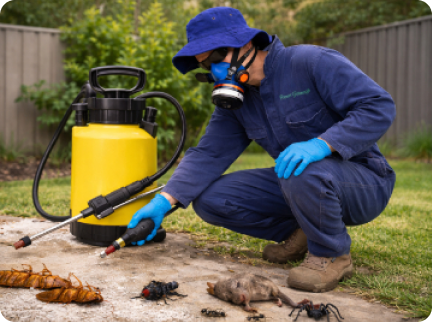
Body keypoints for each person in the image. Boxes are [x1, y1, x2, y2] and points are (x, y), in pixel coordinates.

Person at [127, 6, 396, 293]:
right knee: (209, 199)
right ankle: (305, 232)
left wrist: (322, 144)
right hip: (301, 182)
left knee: (301, 167)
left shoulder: (311, 62)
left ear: (246, 44)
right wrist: (165, 201)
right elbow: (209, 154)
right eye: (205, 66)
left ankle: (331, 254)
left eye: (216, 58)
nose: (214, 71)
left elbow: (378, 106)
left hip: (363, 181)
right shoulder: (237, 102)